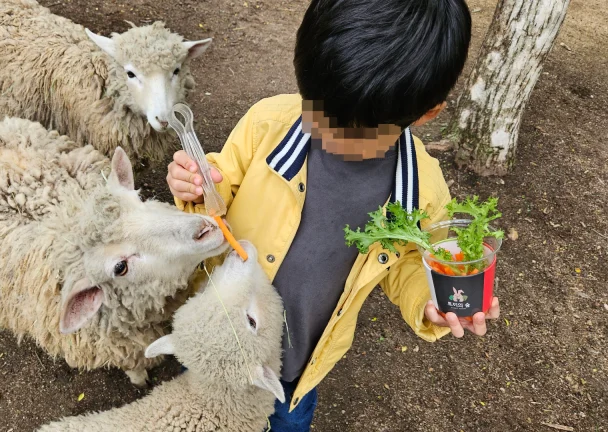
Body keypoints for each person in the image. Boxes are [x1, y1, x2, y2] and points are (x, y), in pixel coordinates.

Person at [166, 0, 500, 430]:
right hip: (217, 332)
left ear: (427, 112)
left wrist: (431, 298)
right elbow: (220, 184)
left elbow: (413, 264)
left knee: (284, 422)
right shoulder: (267, 123)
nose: (321, 128)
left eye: (347, 130)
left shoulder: (420, 191)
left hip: (294, 370)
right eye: (315, 109)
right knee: (197, 409)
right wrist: (197, 184)